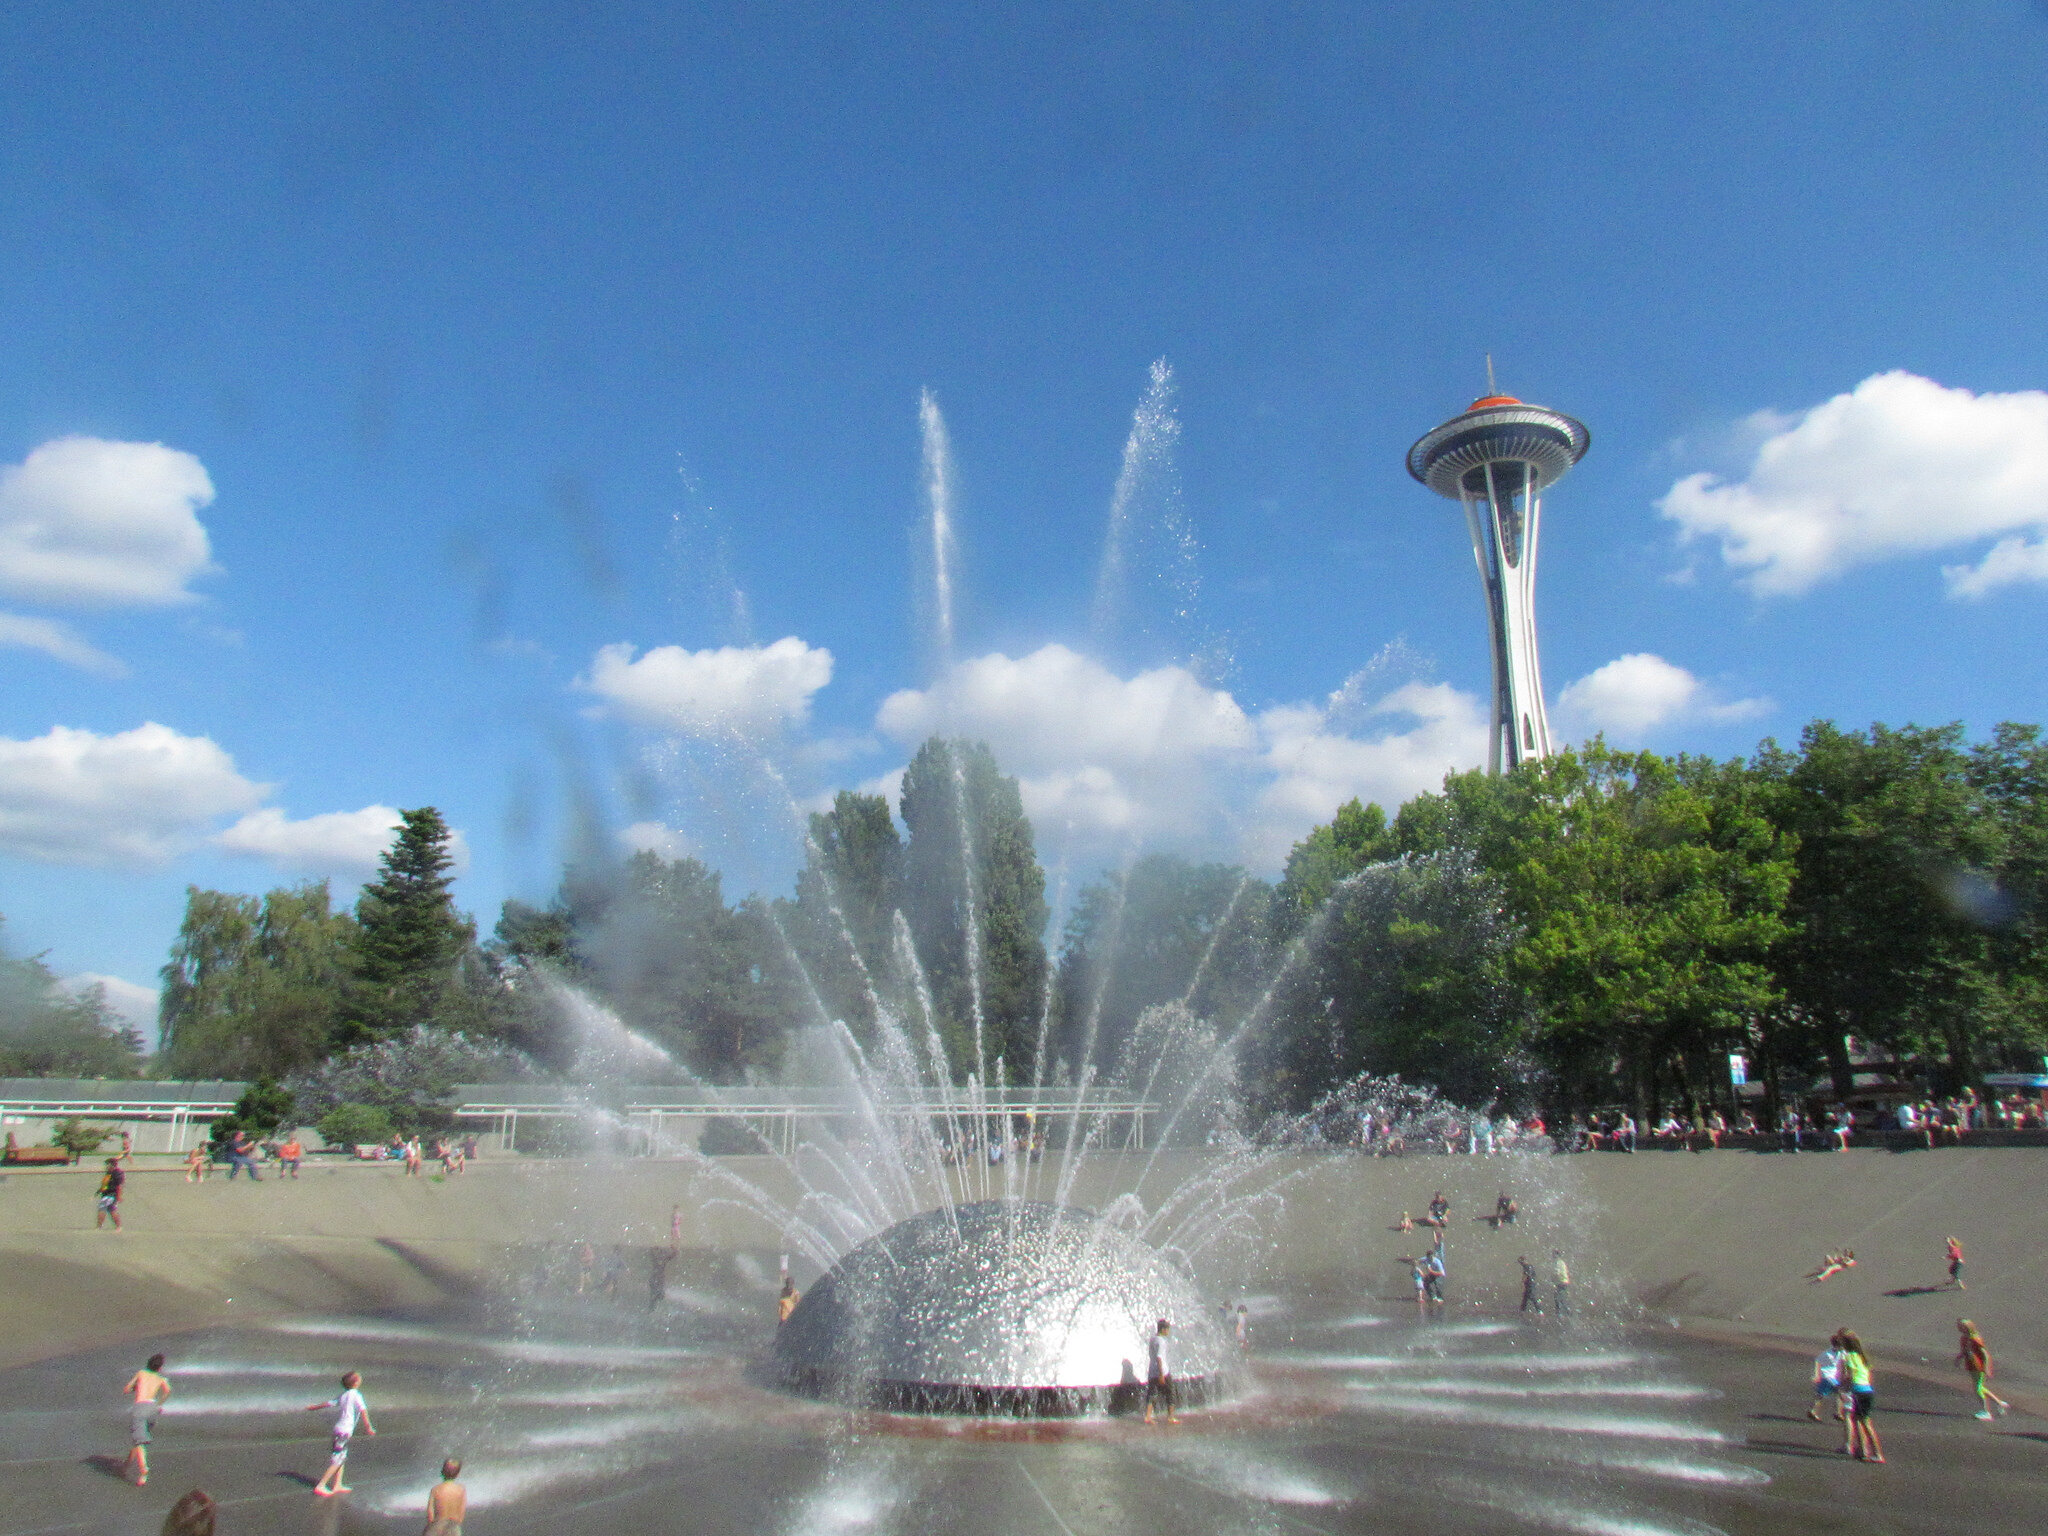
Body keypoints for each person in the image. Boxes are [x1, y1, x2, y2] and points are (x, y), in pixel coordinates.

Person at [306, 1370, 375, 1495]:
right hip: (344, 1431)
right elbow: (363, 1410)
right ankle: (321, 1485)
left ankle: (337, 1484)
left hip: (339, 1429)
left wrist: (314, 1407)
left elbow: (329, 1403)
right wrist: (368, 1427)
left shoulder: (344, 1395)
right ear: (356, 1383)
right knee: (337, 1459)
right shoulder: (356, 1395)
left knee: (341, 1457)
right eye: (359, 1378)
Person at [122, 1353, 171, 1484]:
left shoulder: (141, 1373)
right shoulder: (160, 1378)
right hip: (152, 1408)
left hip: (140, 1408)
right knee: (139, 1440)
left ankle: (144, 1469)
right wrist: (160, 1404)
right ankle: (126, 1465)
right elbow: (167, 1390)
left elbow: (127, 1389)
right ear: (159, 1368)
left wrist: (133, 1389)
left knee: (139, 1441)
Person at [1836, 1331, 1882, 1461]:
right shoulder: (1863, 1357)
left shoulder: (1849, 1357)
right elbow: (1868, 1376)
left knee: (1865, 1423)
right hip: (1867, 1389)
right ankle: (1863, 1450)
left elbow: (1849, 1375)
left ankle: (1876, 1453)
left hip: (1858, 1391)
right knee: (1858, 1420)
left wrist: (1841, 1385)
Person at [1957, 1320, 2009, 1420]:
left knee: (1978, 1388)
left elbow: (1985, 1354)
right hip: (1971, 1365)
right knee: (1980, 1387)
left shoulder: (1975, 1339)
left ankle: (1987, 1412)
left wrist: (1986, 1368)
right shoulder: (1964, 1338)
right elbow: (1964, 1351)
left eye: (1963, 1326)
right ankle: (1999, 1403)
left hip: (1978, 1366)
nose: (1960, 1328)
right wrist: (1959, 1358)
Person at [1143, 1318, 1177, 1424]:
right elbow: (1159, 1357)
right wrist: (1161, 1374)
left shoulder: (1153, 1339)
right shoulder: (1161, 1341)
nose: (1168, 1331)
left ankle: (1148, 1417)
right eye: (1167, 1329)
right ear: (1163, 1329)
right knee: (1171, 1392)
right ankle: (1171, 1417)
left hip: (1152, 1370)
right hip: (1162, 1371)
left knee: (1152, 1393)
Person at [423, 1457, 467, 1535]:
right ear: (458, 1474)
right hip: (453, 1526)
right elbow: (461, 1514)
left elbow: (430, 1514)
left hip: (436, 1526)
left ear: (442, 1471)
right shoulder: (461, 1490)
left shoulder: (435, 1490)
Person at [1808, 1337, 1845, 1422]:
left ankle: (1814, 1411)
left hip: (1831, 1377)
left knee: (1825, 1395)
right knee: (1828, 1394)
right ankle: (1838, 1413)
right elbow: (1818, 1361)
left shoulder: (1841, 1352)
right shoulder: (1827, 1353)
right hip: (1827, 1377)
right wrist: (1817, 1375)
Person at [96, 1157, 125, 1230]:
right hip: (106, 1194)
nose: (106, 1167)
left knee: (104, 1209)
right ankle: (117, 1227)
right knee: (110, 1210)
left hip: (111, 1195)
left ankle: (99, 1227)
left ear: (112, 1165)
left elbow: (119, 1186)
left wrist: (119, 1196)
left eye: (107, 1165)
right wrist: (99, 1191)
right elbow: (105, 1184)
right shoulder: (109, 1173)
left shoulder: (117, 1173)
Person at [649, 1242, 678, 1311]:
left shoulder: (659, 1259)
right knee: (656, 1294)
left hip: (657, 1278)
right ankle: (653, 1307)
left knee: (657, 1294)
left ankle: (654, 1307)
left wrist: (674, 1249)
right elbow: (672, 1255)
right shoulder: (660, 1259)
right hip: (656, 1278)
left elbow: (672, 1255)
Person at [1552, 1250, 1572, 1317]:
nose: (1552, 1255)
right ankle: (1566, 1311)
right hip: (1565, 1281)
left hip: (1560, 1282)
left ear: (1557, 1255)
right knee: (1561, 1297)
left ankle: (1560, 1313)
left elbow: (1556, 1273)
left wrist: (1553, 1280)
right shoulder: (1562, 1262)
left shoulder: (1557, 1262)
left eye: (1554, 1254)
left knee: (1557, 1297)